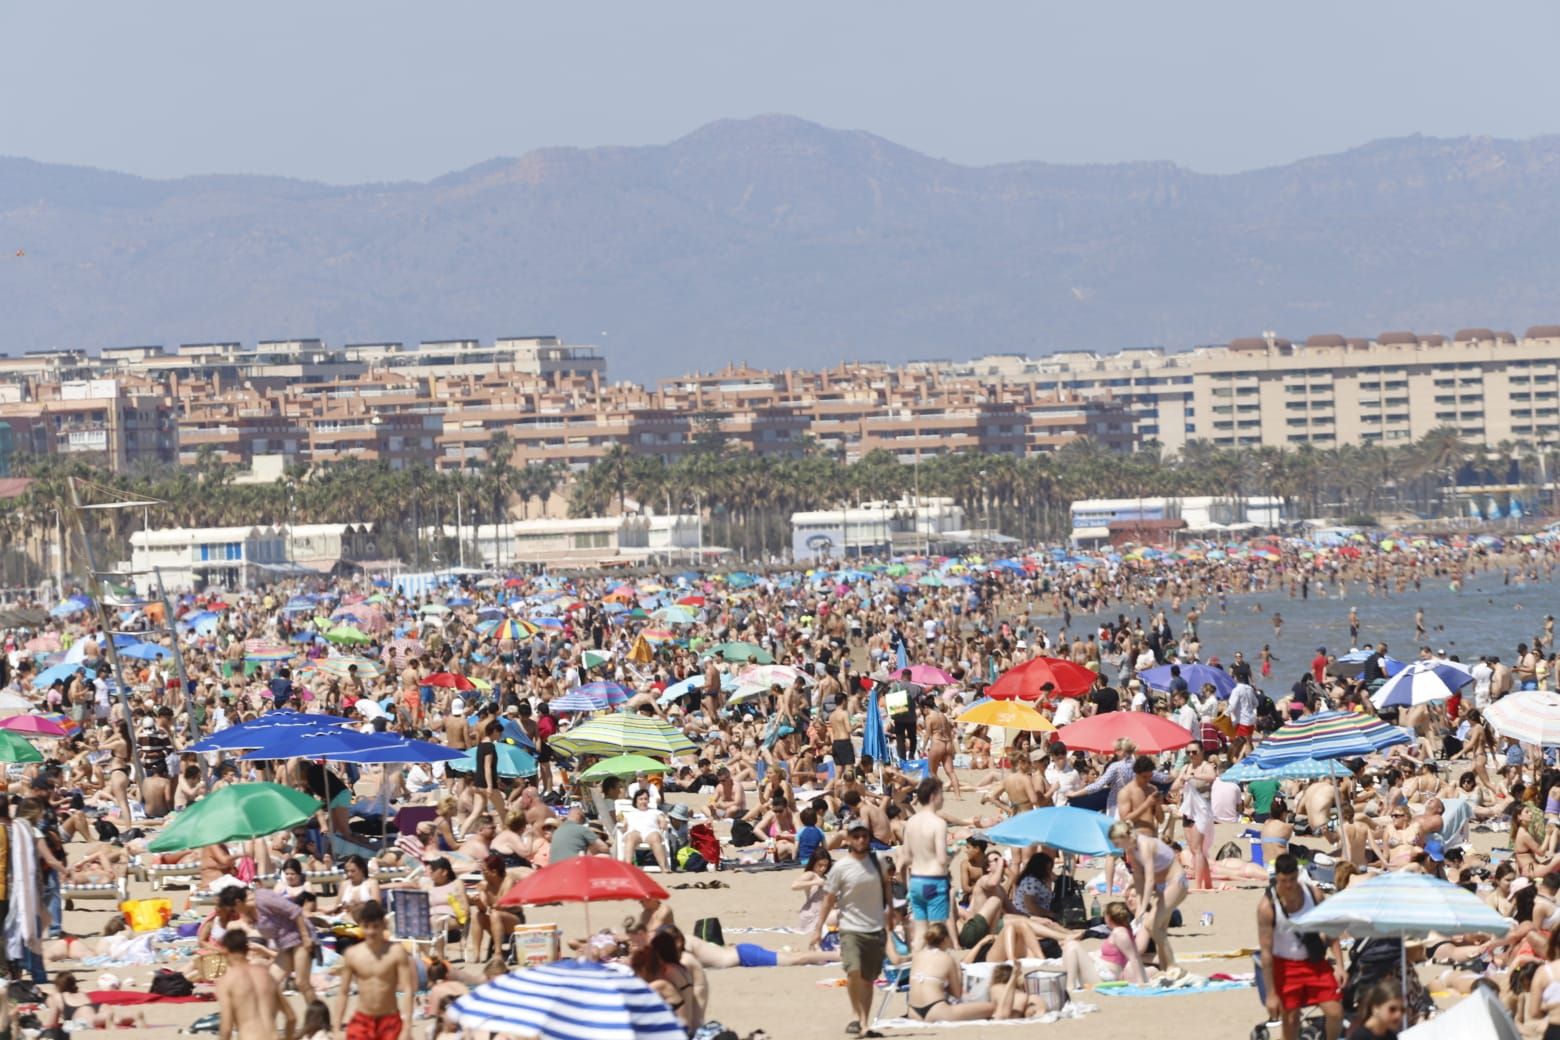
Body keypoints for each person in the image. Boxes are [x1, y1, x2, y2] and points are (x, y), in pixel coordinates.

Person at [807, 819, 892, 1038]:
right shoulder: (841, 867)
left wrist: (891, 911)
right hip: (850, 928)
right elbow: (828, 899)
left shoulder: (878, 861)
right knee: (853, 972)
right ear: (849, 839)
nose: (861, 840)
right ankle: (860, 1019)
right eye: (856, 836)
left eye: (864, 835)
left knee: (868, 978)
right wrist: (818, 928)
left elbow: (887, 886)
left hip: (875, 927)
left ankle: (863, 1019)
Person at [1259, 853, 1344, 1040]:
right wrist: (1271, 993)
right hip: (1285, 967)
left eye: (1292, 879)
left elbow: (1330, 930)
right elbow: (1265, 953)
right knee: (1291, 1022)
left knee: (1335, 1012)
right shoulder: (1267, 907)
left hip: (1314, 963)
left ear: (1298, 875)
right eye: (1283, 880)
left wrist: (1339, 964)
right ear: (1277, 878)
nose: (1289, 885)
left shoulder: (1314, 895)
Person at [334, 900, 416, 1040]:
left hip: (389, 1020)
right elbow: (343, 992)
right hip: (362, 1019)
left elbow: (408, 990)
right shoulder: (352, 954)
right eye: (366, 926)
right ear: (360, 926)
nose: (371, 931)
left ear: (383, 925)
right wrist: (336, 1028)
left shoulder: (396, 952)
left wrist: (407, 1027)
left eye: (375, 926)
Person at [903, 776, 955, 951]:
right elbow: (942, 859)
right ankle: (934, 970)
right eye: (941, 794)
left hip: (916, 880)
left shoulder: (910, 822)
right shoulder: (938, 823)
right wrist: (953, 854)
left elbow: (907, 856)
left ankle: (916, 967)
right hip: (933, 880)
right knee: (937, 930)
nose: (943, 798)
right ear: (933, 796)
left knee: (920, 932)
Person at [216, 929, 297, 1040]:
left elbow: (226, 1029)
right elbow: (291, 1018)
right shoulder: (266, 975)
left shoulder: (226, 981)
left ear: (225, 950)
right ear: (247, 949)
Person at [905, 922, 995, 1021]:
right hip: (936, 1009)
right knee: (991, 1007)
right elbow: (957, 994)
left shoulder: (917, 956)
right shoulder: (947, 958)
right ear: (945, 939)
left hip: (912, 1011)